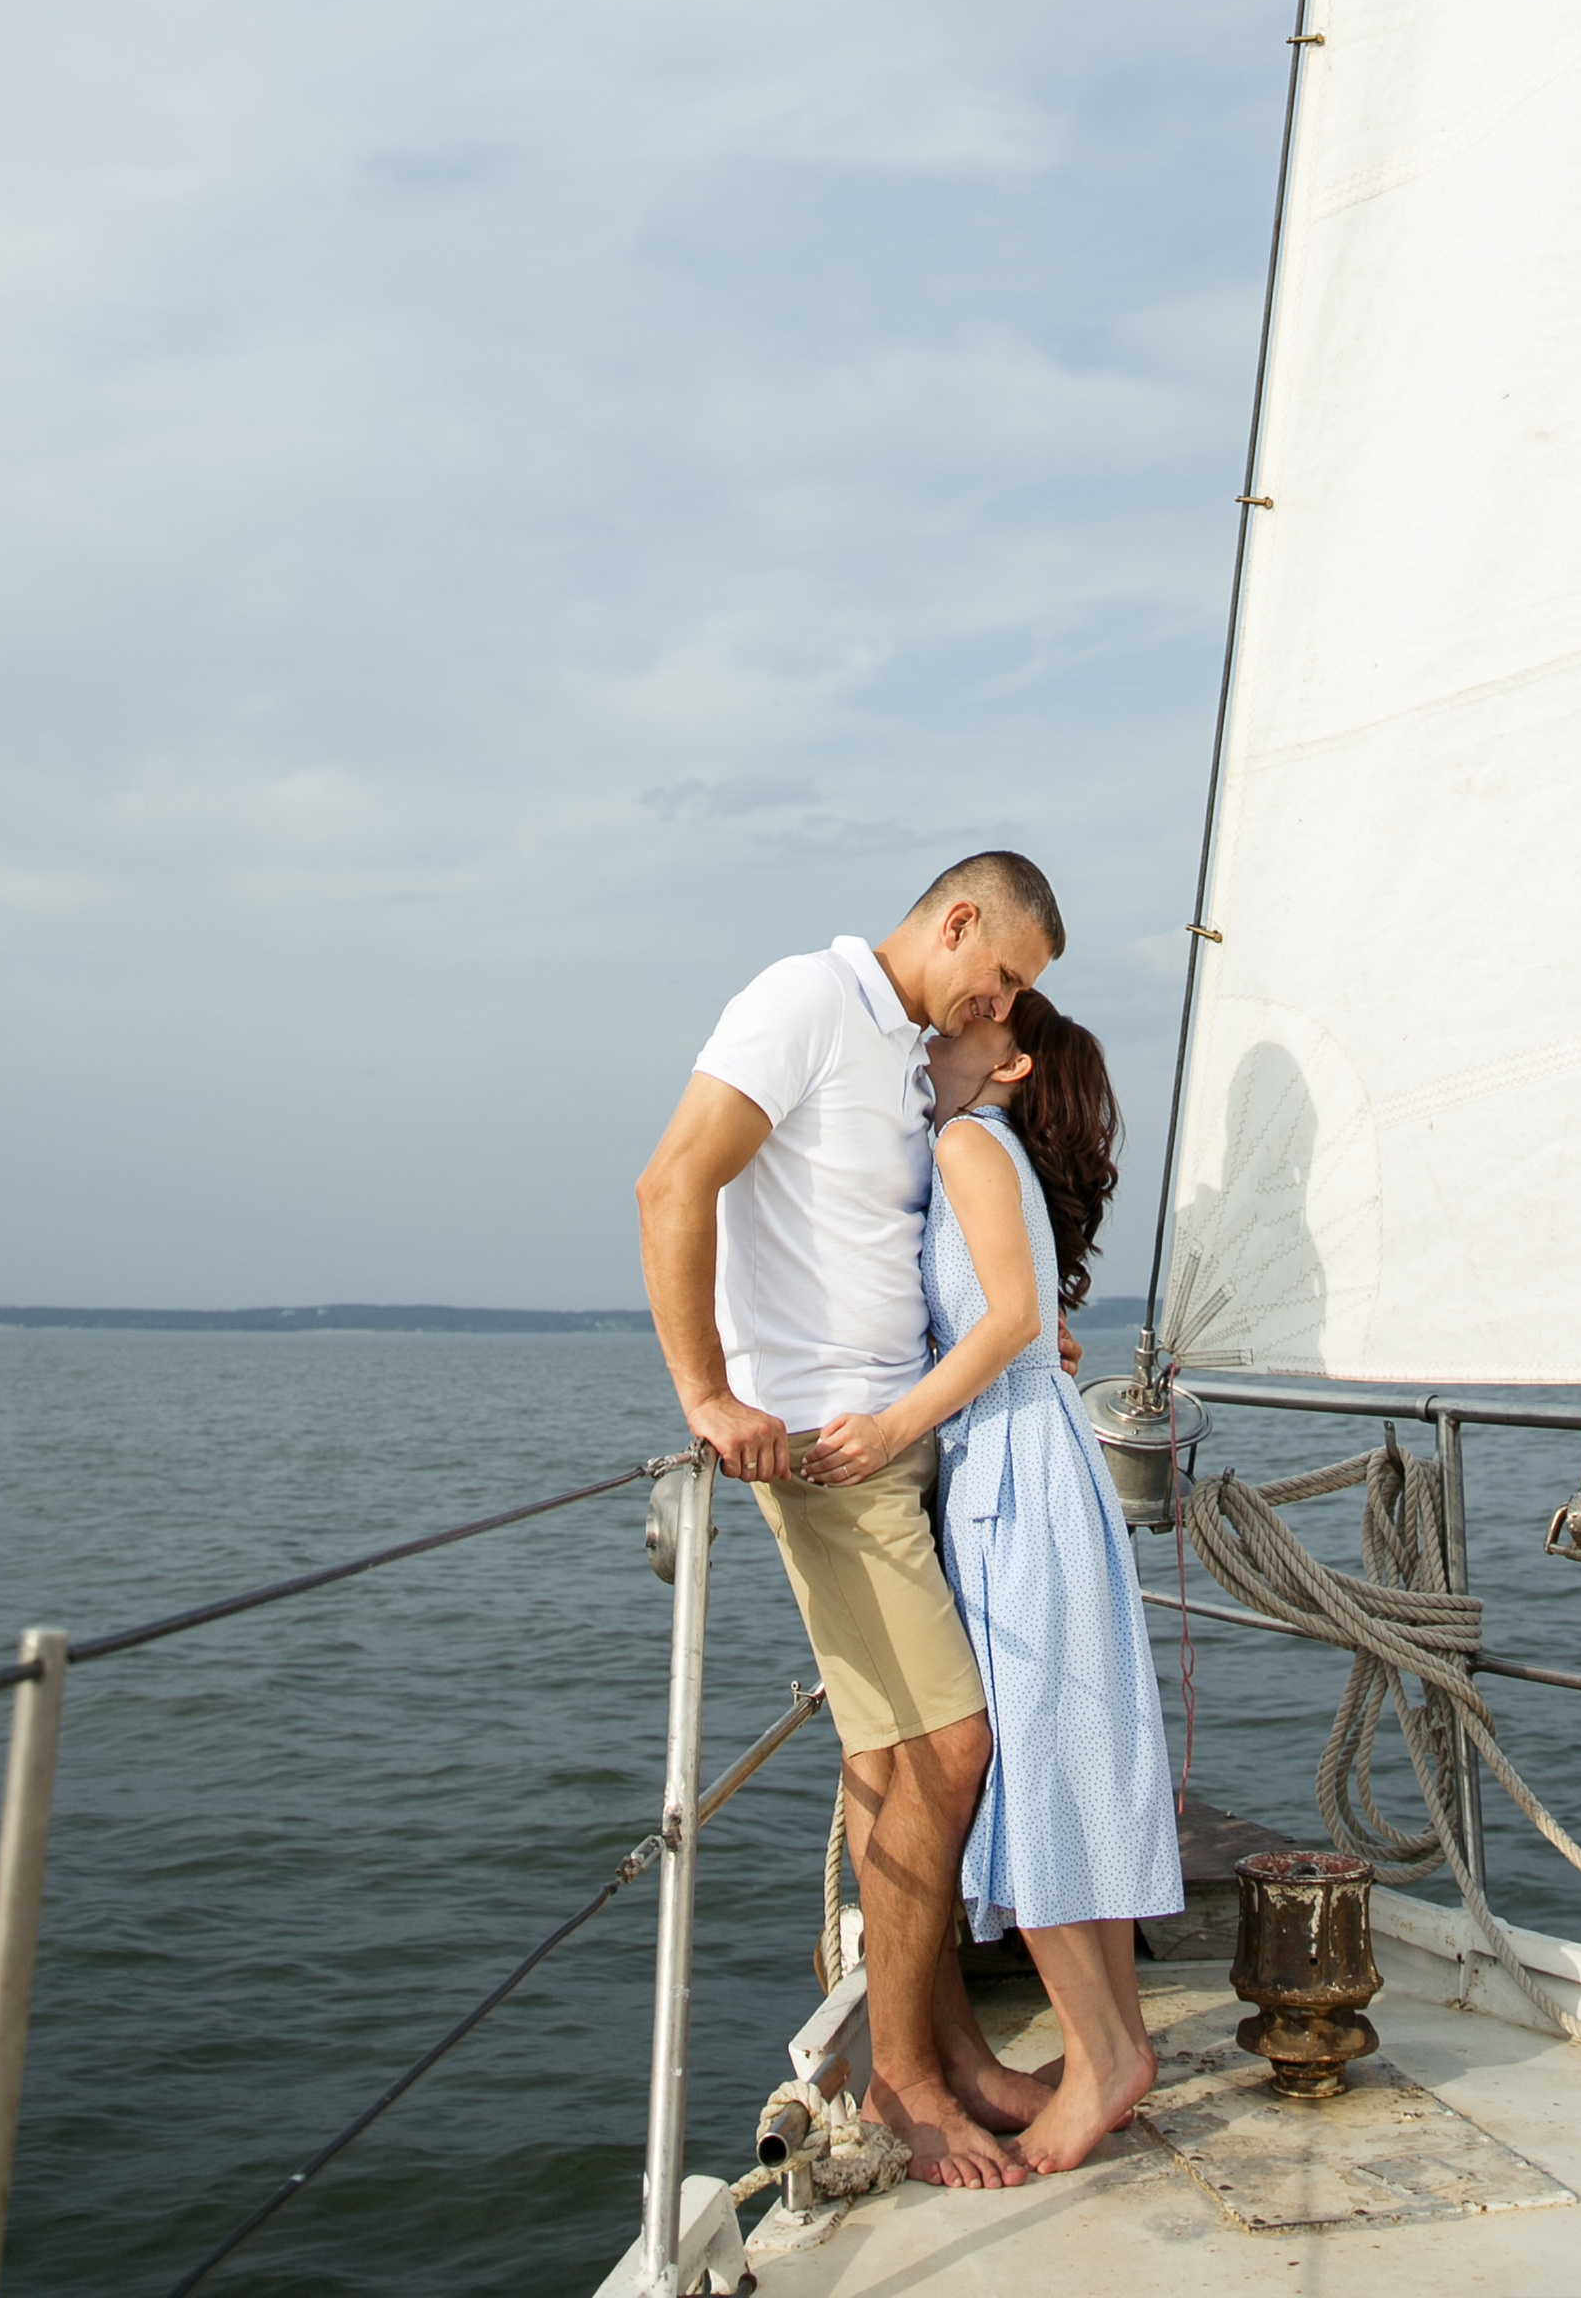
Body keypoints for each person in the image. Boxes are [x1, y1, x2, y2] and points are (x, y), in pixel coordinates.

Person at [634, 854, 1064, 2190]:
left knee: (894, 1759)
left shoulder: (896, 1048)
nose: (999, 1006)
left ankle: (945, 2048)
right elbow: (673, 1182)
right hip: (832, 1459)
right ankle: (905, 2084)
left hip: (895, 1452)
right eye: (1002, 977)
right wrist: (706, 1392)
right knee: (951, 1748)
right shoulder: (803, 1002)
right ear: (954, 922)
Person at [805, 992, 1184, 2174]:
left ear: (1010, 1062)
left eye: (964, 1030)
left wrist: (887, 1428)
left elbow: (1012, 1315)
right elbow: (1016, 1319)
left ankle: (1104, 2055)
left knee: (1038, 1765)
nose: (934, 1035)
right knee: (1063, 1751)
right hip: (1026, 1463)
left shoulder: (971, 1141)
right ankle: (1107, 2044)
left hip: (1011, 1475)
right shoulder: (988, 1148)